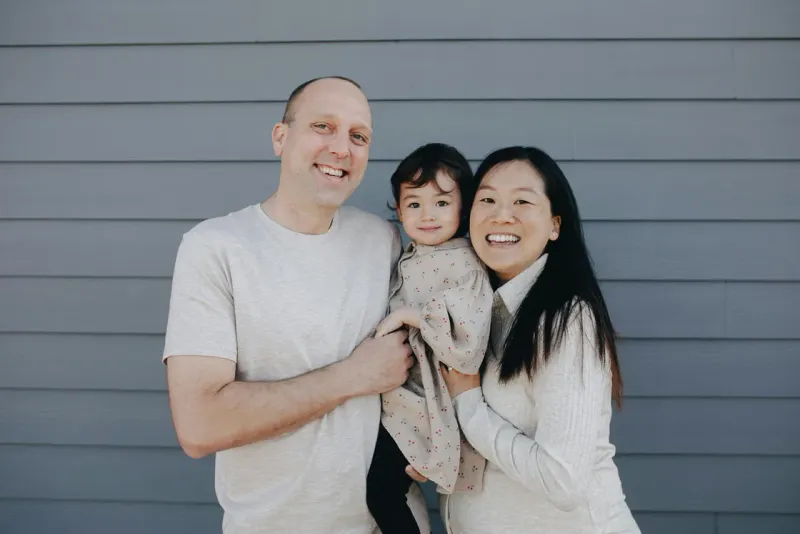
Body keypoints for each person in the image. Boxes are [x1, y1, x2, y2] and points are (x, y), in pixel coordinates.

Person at [161, 76, 430, 534]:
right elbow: (199, 425)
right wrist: (353, 376)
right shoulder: (216, 248)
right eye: (323, 126)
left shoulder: (382, 239)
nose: (342, 148)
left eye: (358, 136)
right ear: (280, 138)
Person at [438, 146, 641, 533]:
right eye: (488, 199)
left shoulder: (568, 321)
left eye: (522, 201)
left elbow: (561, 481)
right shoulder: (477, 314)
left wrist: (468, 403)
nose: (502, 214)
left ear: (555, 225)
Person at [366, 143, 493, 534]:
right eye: (414, 204)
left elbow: (470, 339)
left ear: (464, 208)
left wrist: (410, 316)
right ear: (399, 210)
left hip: (428, 399)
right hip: (401, 389)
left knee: (381, 490)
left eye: (441, 203)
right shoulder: (413, 253)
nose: (427, 215)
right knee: (379, 484)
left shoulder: (466, 262)